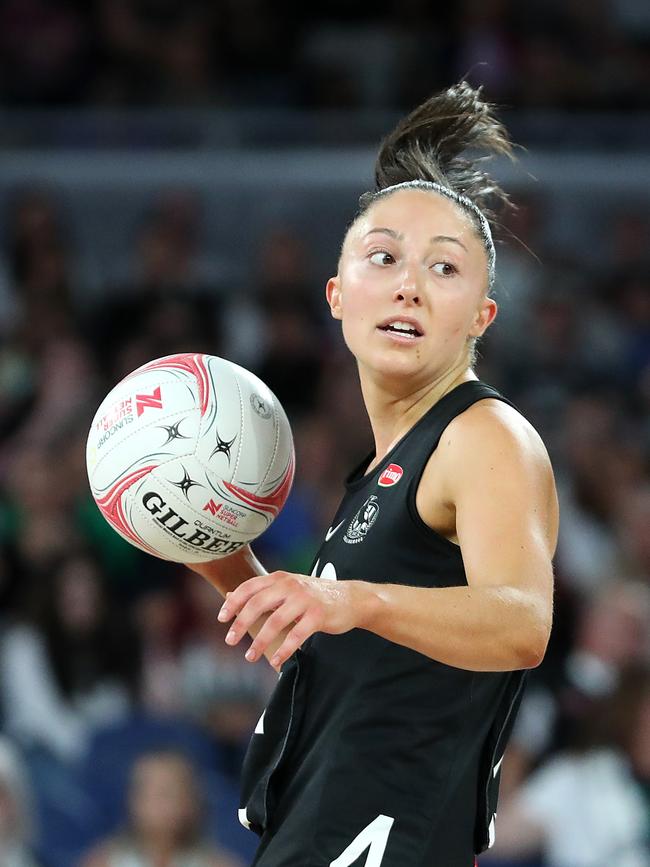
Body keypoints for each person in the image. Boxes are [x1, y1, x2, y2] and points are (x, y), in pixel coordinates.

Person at [188, 80, 558, 866]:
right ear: (336, 295)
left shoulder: (485, 433)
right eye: (383, 256)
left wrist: (347, 596)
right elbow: (363, 673)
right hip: (317, 830)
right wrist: (220, 555)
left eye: (444, 268)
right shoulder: (382, 472)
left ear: (481, 316)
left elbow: (522, 622)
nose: (409, 282)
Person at [80, 750, 242, 867]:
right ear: (134, 800)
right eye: (161, 793)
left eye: (180, 792)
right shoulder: (102, 862)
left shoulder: (221, 864)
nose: (171, 804)